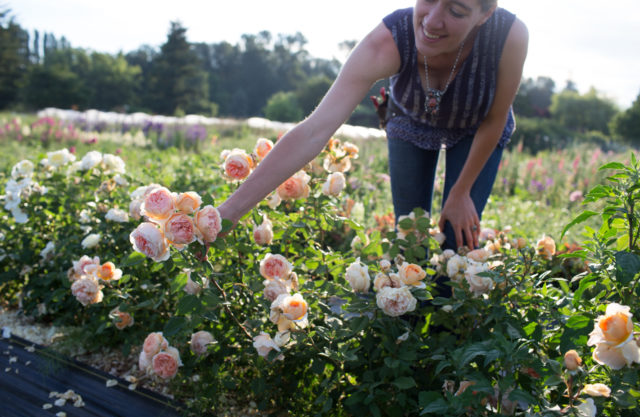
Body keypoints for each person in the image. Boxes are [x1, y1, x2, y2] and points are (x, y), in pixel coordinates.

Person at [219, 0, 528, 254]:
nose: (433, 21)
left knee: (459, 241)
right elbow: (314, 131)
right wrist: (229, 213)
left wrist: (461, 192)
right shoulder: (387, 41)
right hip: (410, 121)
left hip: (477, 126)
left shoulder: (509, 36)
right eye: (429, 0)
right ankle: (407, 323)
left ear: (485, 14)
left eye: (456, 11)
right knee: (409, 238)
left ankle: (450, 318)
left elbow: (494, 118)